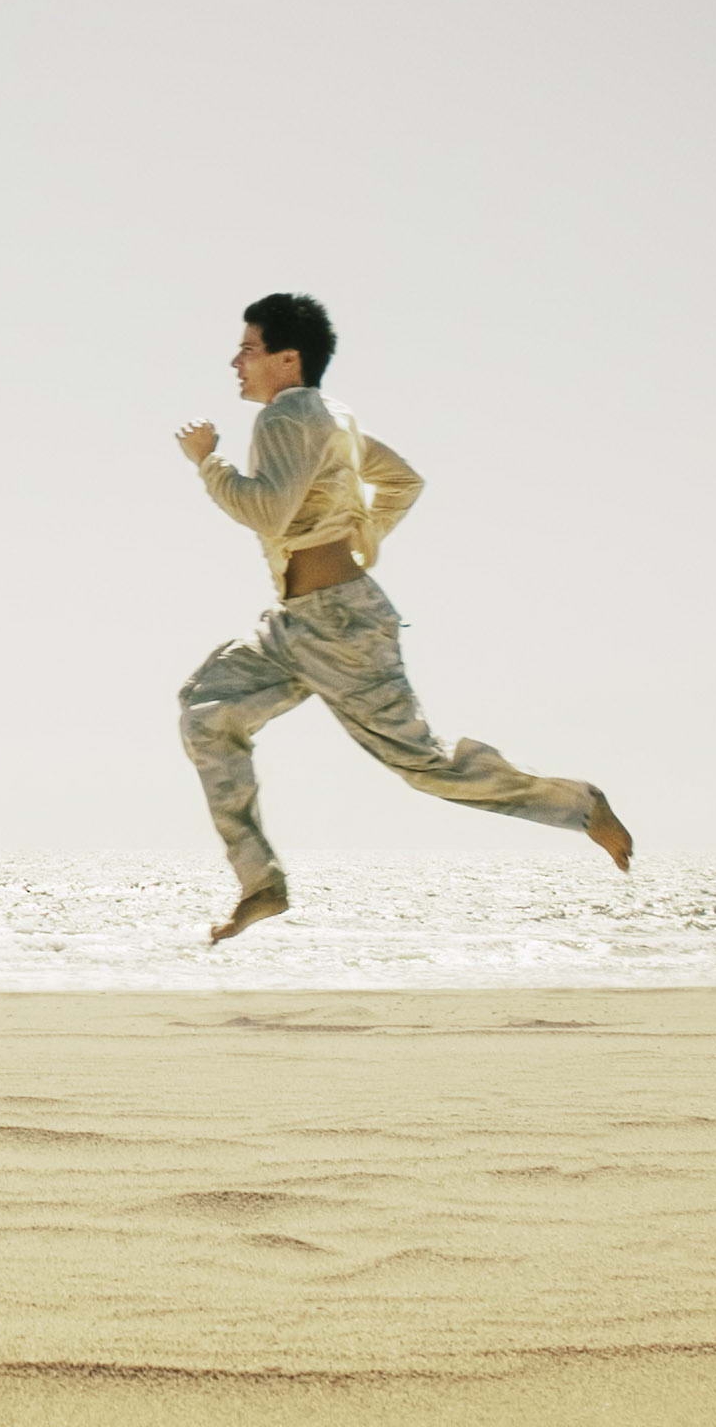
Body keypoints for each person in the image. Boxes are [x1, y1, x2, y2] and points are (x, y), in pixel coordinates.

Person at [172, 292, 631, 945]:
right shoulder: (333, 418)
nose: (235, 362)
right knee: (207, 710)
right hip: (298, 623)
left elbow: (266, 512)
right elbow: (403, 482)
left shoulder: (284, 417)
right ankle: (260, 883)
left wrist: (208, 461)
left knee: (424, 767)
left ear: (287, 358)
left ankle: (579, 806)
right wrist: (361, 538)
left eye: (248, 350)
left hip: (339, 627)